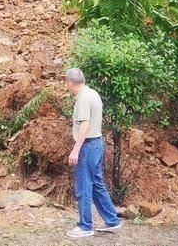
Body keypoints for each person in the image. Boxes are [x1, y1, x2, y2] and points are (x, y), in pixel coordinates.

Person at [64, 68, 122, 238]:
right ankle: (112, 220)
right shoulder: (93, 93)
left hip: (87, 146)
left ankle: (85, 226)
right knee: (97, 184)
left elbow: (85, 125)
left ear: (70, 83)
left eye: (66, 83)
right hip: (97, 144)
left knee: (83, 186)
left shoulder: (83, 99)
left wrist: (75, 150)